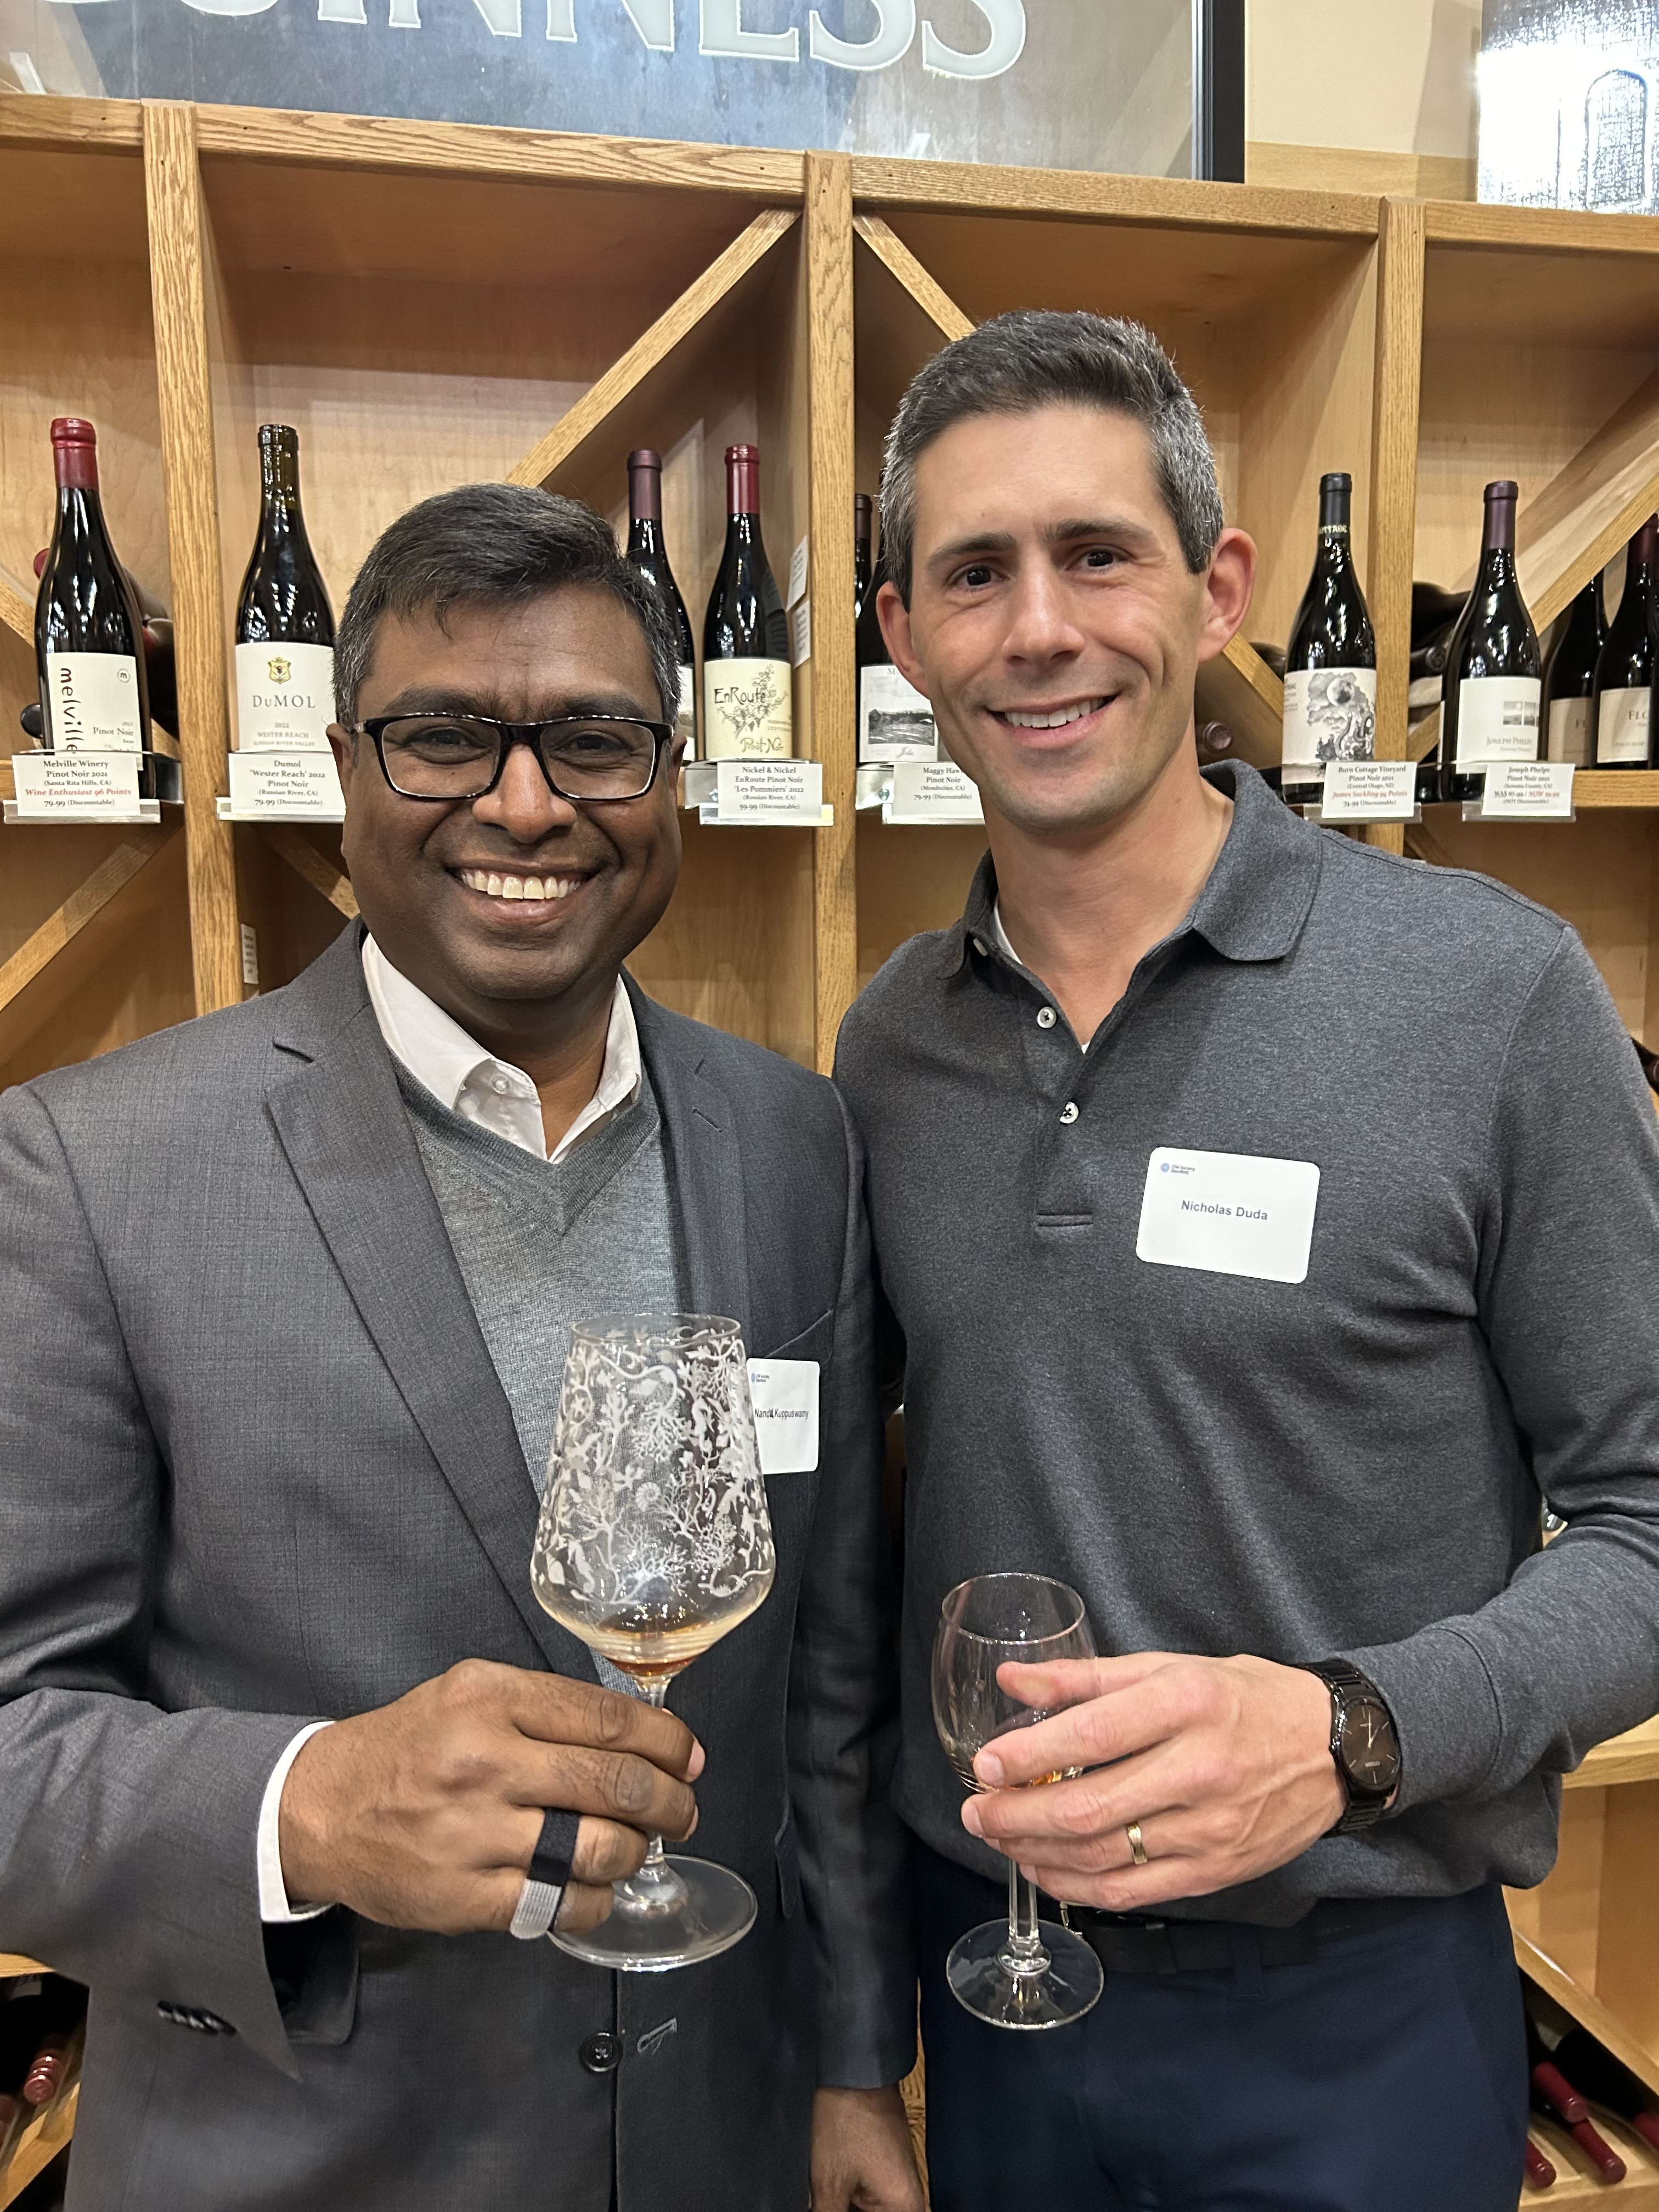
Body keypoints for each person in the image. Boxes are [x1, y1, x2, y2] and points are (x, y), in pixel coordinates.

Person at [0, 485, 923, 2212]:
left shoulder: (800, 1143)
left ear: (668, 780)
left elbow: (832, 1685)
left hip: (720, 2140)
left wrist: (857, 2059)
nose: (525, 802)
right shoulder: (87, 1170)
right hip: (303, 2162)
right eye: (443, 738)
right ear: (345, 768)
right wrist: (303, 1805)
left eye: (595, 741)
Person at [833, 310, 1659, 2211]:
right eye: (975, 573)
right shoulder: (889, 1049)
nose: (1040, 628)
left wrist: (1354, 1731)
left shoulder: (1492, 996)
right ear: (904, 638)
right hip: (999, 1987)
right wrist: (848, 2029)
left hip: (1357, 2014)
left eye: (1096, 554)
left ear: (1216, 593)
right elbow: (856, 1563)